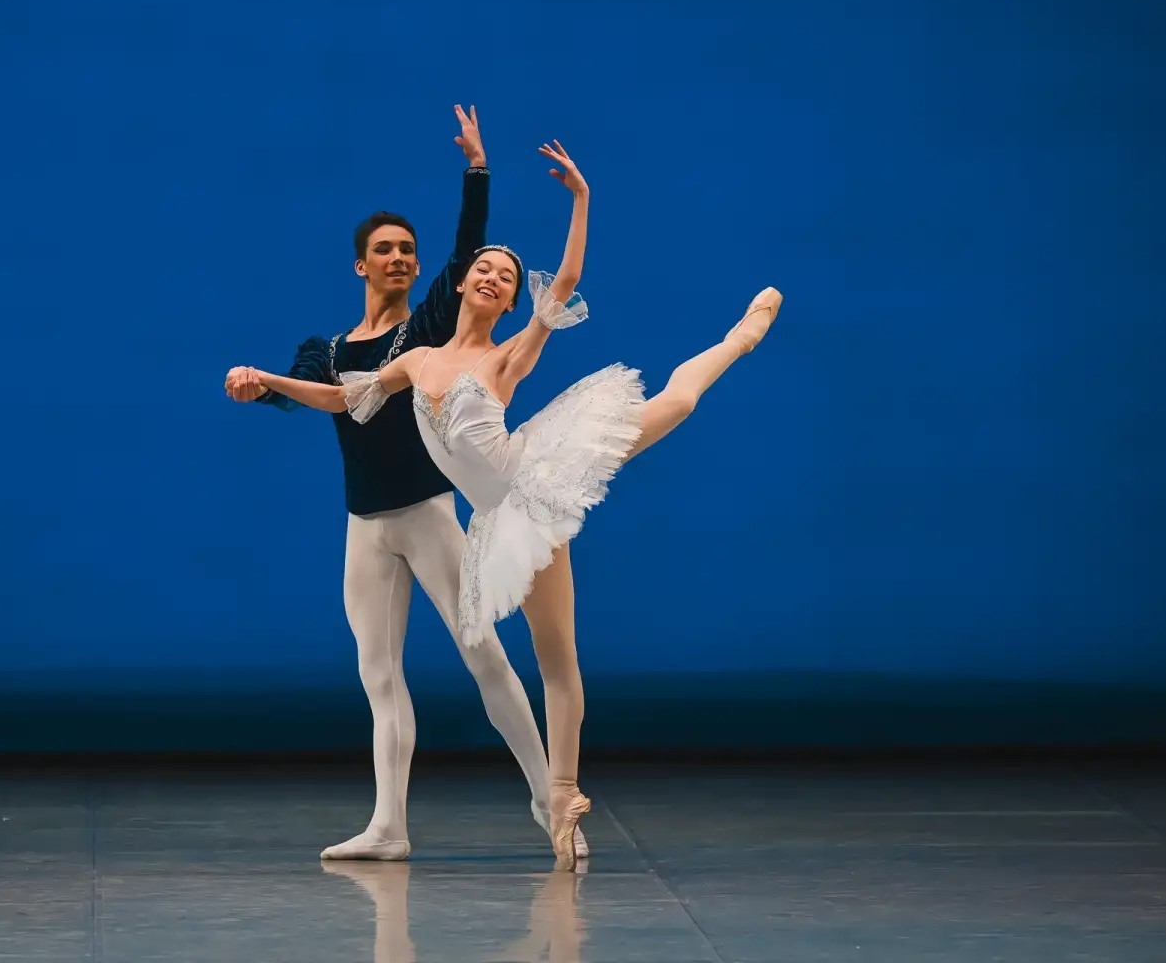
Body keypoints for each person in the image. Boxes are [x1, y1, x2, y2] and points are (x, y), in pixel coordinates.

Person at [238, 141, 783, 868]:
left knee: (675, 402)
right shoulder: (412, 358)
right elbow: (344, 398)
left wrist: (580, 198)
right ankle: (541, 803)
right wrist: (265, 379)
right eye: (484, 270)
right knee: (542, 660)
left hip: (541, 472)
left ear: (505, 296)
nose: (493, 278)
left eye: (506, 276)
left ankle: (739, 338)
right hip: (494, 518)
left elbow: (565, 280)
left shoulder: (508, 353)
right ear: (462, 281)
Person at [223, 107, 582, 863]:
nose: (397, 258)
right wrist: (261, 383)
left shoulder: (424, 332)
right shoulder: (327, 350)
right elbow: (315, 395)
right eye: (383, 250)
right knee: (378, 675)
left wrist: (477, 170)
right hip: (367, 527)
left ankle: (547, 798)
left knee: (484, 657)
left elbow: (469, 251)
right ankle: (389, 827)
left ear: (421, 271)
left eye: (407, 251)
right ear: (360, 265)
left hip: (427, 517)